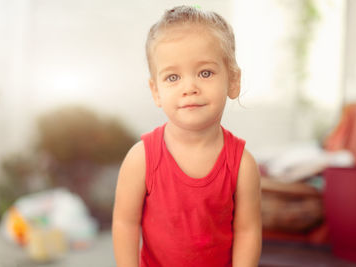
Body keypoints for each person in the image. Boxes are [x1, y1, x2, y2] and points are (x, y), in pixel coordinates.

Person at [112, 5, 262, 267]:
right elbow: (125, 223)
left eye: (205, 73)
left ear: (233, 81)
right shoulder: (142, 158)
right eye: (173, 77)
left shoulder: (242, 165)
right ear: (156, 90)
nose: (189, 87)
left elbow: (248, 230)